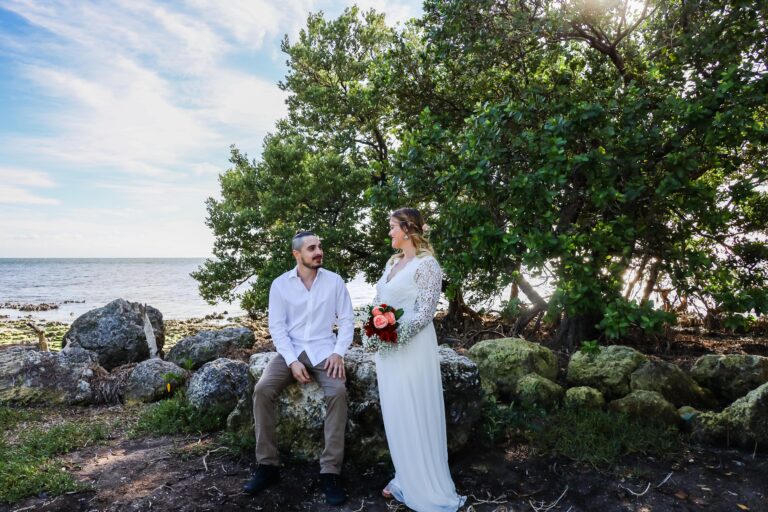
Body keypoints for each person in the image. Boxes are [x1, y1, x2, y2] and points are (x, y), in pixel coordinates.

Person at [364, 208, 466, 511]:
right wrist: (371, 326)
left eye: (393, 227)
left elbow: (425, 312)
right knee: (397, 411)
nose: (389, 233)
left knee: (414, 409)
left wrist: (393, 333)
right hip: (388, 349)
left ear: (408, 230)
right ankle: (405, 477)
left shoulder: (428, 265)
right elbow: (379, 301)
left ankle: (425, 484)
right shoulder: (393, 262)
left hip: (411, 346)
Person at [244, 231, 354, 506]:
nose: (319, 252)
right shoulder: (280, 285)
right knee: (262, 390)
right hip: (290, 351)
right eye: (312, 248)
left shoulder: (334, 282)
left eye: (319, 247)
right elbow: (277, 327)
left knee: (337, 393)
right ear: (297, 254)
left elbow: (348, 320)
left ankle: (330, 471)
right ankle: (267, 466)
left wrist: (339, 353)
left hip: (324, 350)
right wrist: (292, 361)